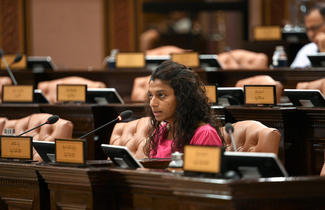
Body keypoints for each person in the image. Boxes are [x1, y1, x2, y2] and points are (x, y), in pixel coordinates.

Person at [143, 60, 223, 158]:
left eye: (161, 95)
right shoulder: (160, 132)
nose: (152, 103)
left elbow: (203, 173)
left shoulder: (205, 134)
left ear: (183, 97)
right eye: (151, 96)